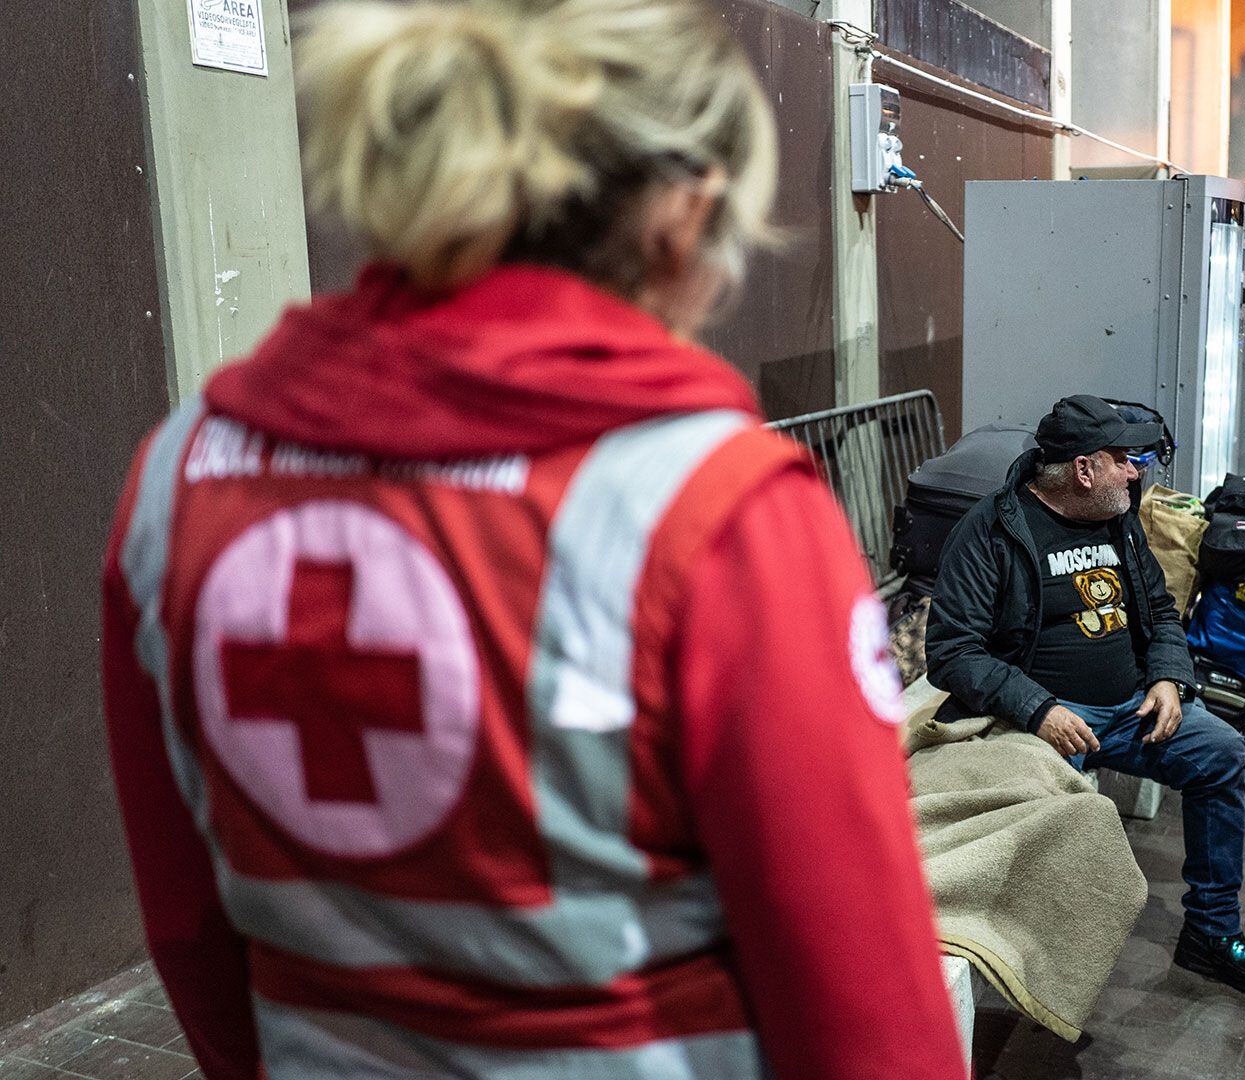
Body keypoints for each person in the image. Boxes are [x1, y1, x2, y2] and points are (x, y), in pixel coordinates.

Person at [98, 2, 966, 1077]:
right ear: (681, 217)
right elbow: (863, 1007)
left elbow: (188, 925)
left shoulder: (180, 473)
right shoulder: (717, 510)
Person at [924, 394, 1245, 999]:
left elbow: (1159, 610)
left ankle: (1211, 931)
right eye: (1123, 458)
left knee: (1223, 752)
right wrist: (1037, 708)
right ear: (1083, 469)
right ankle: (1036, 961)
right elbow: (953, 652)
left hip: (1130, 710)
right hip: (1037, 719)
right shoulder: (991, 530)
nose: (1136, 470)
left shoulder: (1119, 521)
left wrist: (1170, 678)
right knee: (1067, 815)